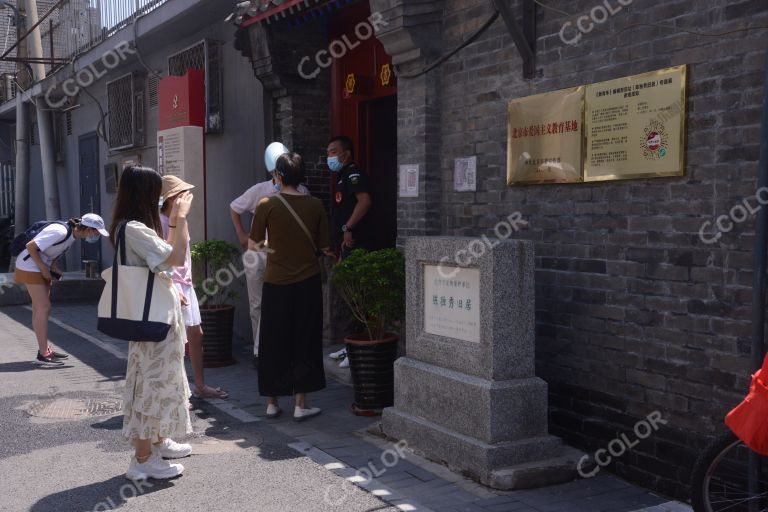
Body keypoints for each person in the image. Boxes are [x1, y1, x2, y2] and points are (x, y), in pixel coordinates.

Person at [109, 165, 194, 481]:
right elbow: (175, 257)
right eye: (156, 192)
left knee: (158, 381)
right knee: (150, 386)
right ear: (145, 194)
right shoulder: (134, 229)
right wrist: (179, 217)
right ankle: (143, 460)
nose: (161, 199)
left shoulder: (125, 226)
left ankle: (157, 443)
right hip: (153, 320)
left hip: (154, 315)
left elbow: (158, 267)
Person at [250, 152, 332, 421]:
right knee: (305, 341)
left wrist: (273, 248)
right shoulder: (316, 205)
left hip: (276, 283)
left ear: (278, 176)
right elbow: (325, 246)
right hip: (307, 283)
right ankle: (301, 403)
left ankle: (272, 402)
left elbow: (254, 245)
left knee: (273, 341)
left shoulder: (266, 205)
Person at [229, 142, 309, 365]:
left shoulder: (302, 192)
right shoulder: (259, 191)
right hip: (258, 253)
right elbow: (235, 207)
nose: (278, 175)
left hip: (284, 255)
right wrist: (242, 235)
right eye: (275, 171)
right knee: (257, 303)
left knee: (283, 302)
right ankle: (260, 350)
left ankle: (282, 348)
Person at [160, 175, 228, 400]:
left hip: (185, 283)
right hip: (172, 284)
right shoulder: (159, 221)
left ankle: (199, 385)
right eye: (181, 193)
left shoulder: (182, 218)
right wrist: (172, 284)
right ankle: (179, 391)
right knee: (176, 341)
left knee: (196, 336)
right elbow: (164, 257)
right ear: (171, 198)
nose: (187, 196)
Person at [14, 214, 108, 366]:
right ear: (89, 229)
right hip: (30, 266)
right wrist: (44, 268)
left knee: (40, 309)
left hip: (39, 266)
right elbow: (31, 246)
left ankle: (44, 350)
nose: (97, 237)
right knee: (43, 308)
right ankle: (44, 352)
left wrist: (53, 267)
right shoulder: (61, 231)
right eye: (97, 233)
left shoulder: (72, 235)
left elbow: (50, 251)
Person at [327, 135, 373, 259]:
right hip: (346, 242)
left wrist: (347, 227)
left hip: (357, 240)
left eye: (334, 152)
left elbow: (364, 202)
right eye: (328, 153)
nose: (330, 157)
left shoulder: (353, 174)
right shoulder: (342, 176)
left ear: (346, 154)